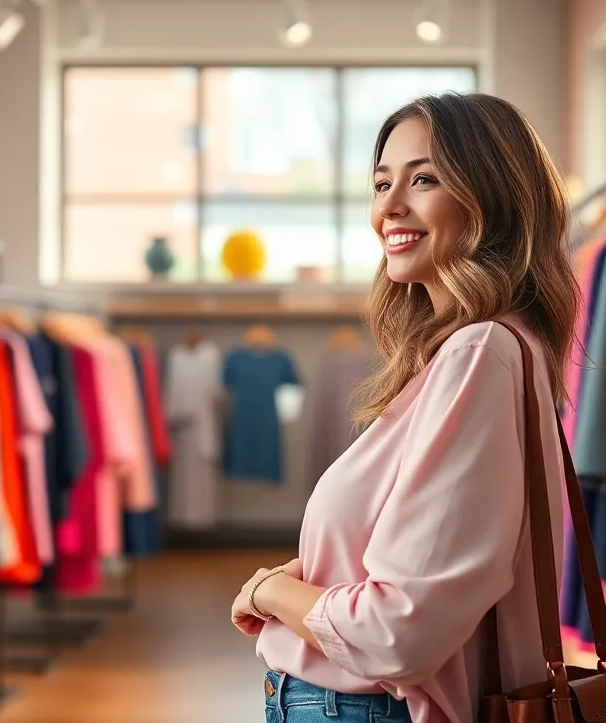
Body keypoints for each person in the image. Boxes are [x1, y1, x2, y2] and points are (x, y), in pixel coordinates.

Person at [231, 92, 579, 723]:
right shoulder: (473, 353)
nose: (388, 207)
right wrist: (310, 573)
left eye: (424, 180)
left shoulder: (480, 354)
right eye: (381, 182)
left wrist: (272, 591)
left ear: (492, 199)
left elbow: (400, 631)